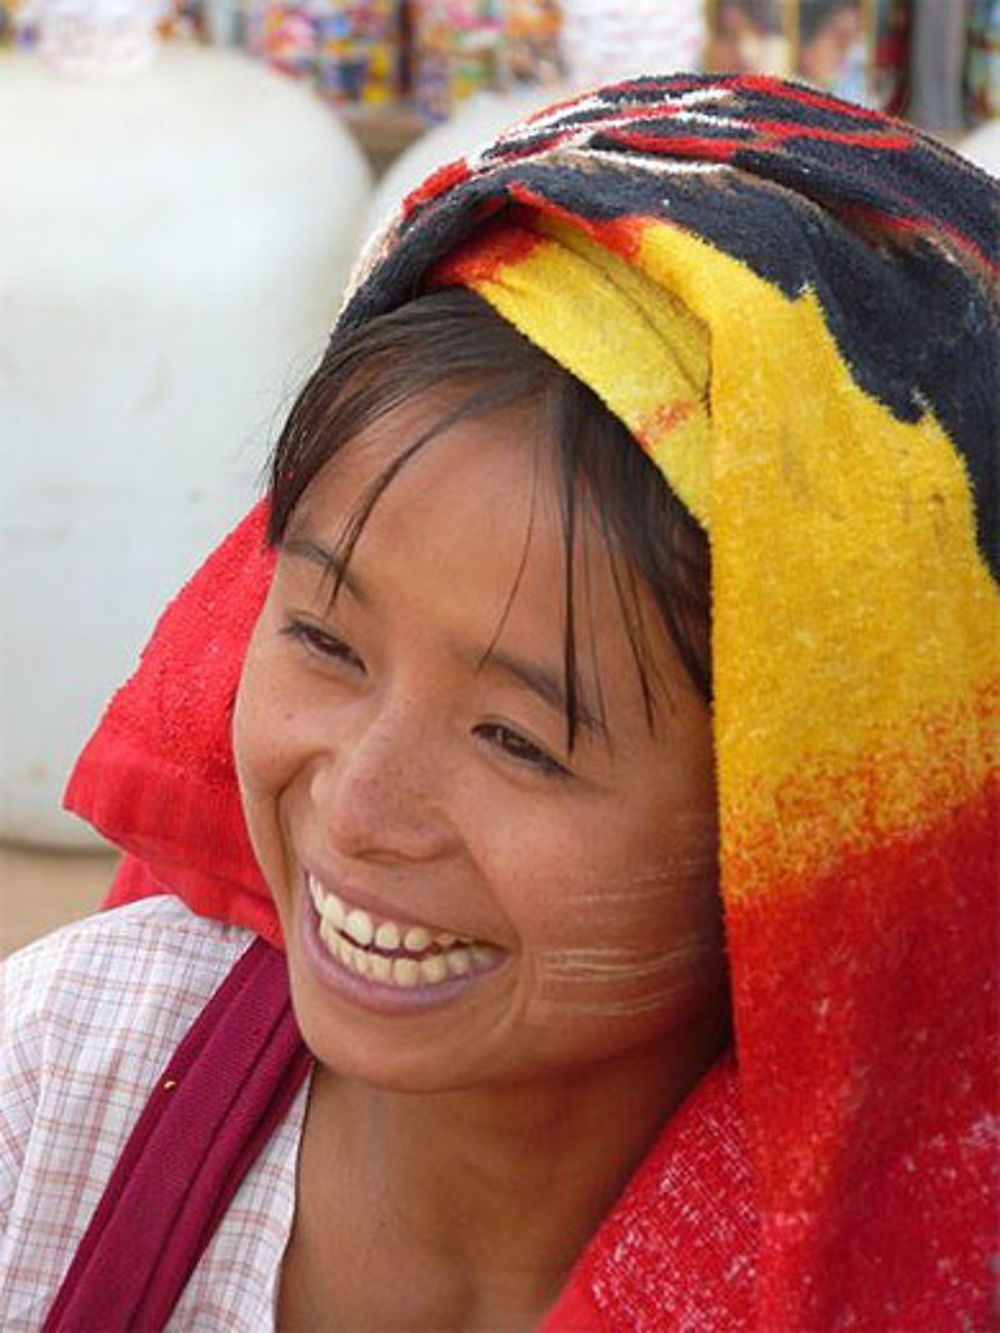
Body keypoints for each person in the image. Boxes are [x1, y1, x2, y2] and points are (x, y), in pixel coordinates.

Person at [2, 73, 997, 1331]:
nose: (358, 807)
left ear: (794, 844)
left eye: (517, 738)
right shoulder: (67, 1090)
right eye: (321, 635)